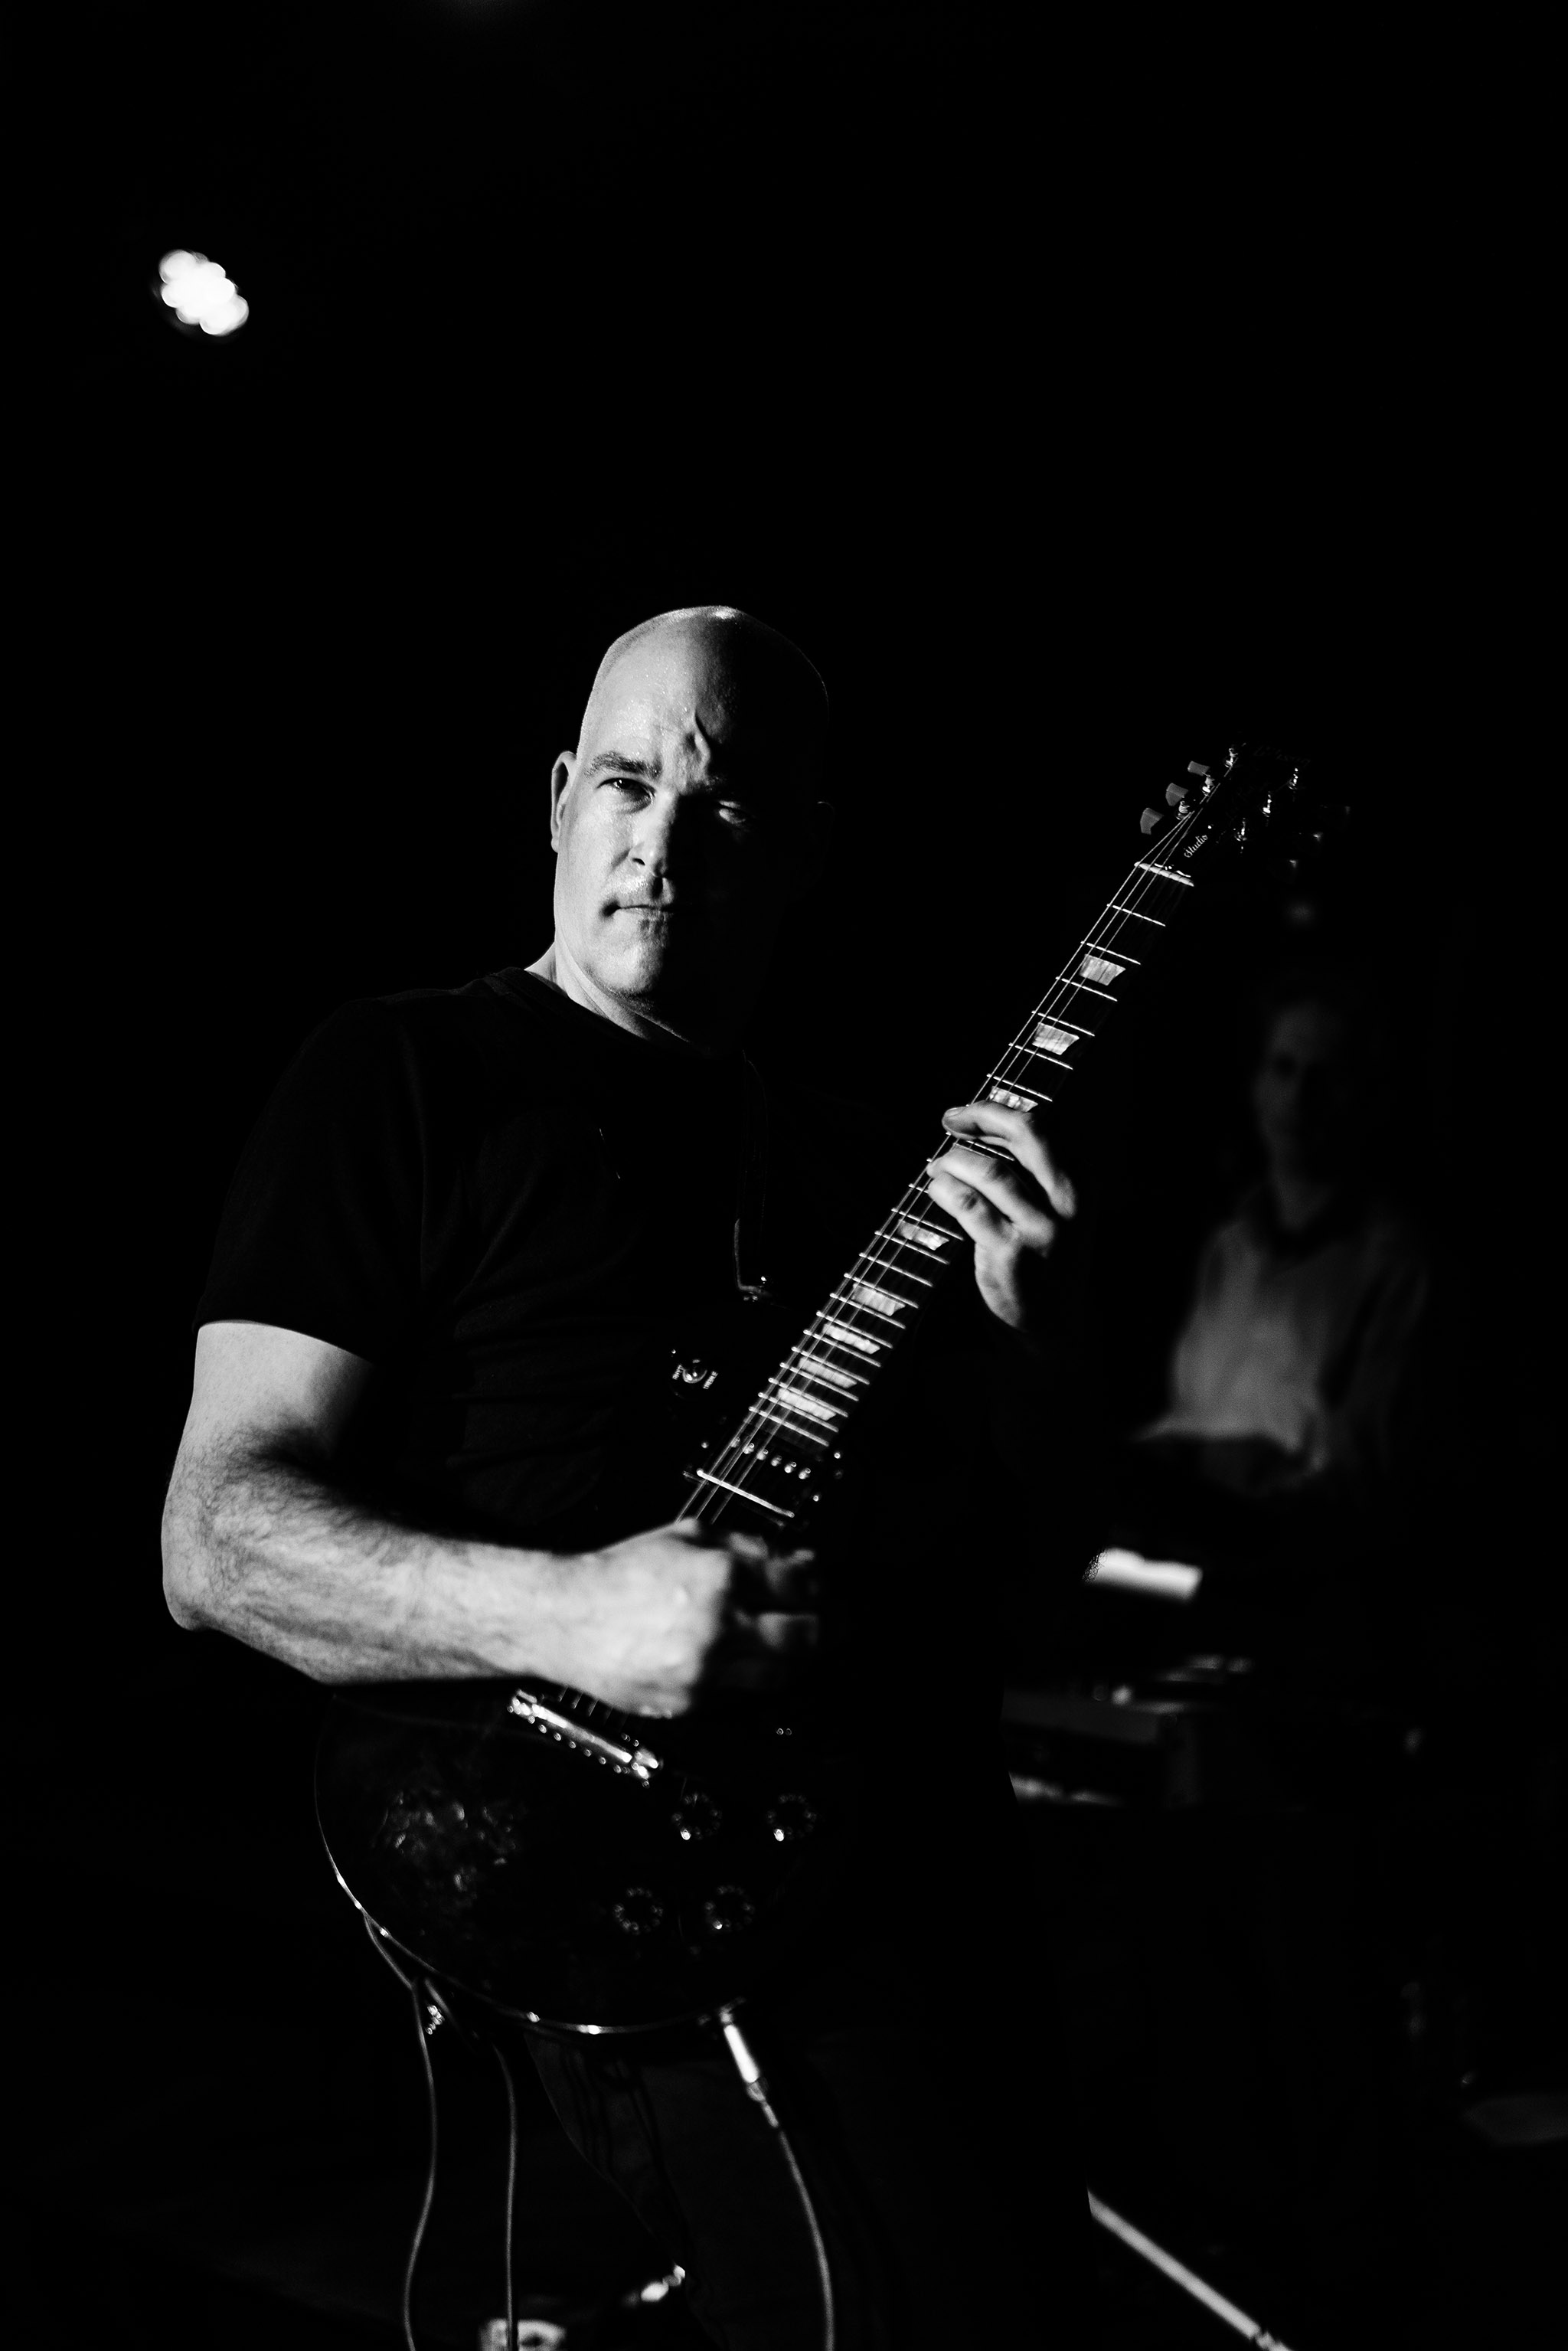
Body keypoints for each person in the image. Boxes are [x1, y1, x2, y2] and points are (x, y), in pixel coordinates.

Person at [161, 606, 1100, 2348]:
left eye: (720, 799)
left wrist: (1046, 1350)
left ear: (803, 847)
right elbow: (215, 1538)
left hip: (907, 1864)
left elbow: (1021, 1584)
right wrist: (577, 1616)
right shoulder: (404, 1073)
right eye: (622, 781)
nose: (659, 840)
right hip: (589, 1866)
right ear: (553, 802)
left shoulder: (863, 1174)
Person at [1107, 963, 1432, 1667]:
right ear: (1256, 1087)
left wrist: (1199, 1487)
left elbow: (1362, 1492)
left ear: (1369, 1099)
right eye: (1283, 1069)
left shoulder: (1399, 1264)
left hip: (1303, 1607)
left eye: (1325, 1076)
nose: (1298, 1097)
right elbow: (1192, 1414)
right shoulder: (1231, 1246)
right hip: (1192, 1570)